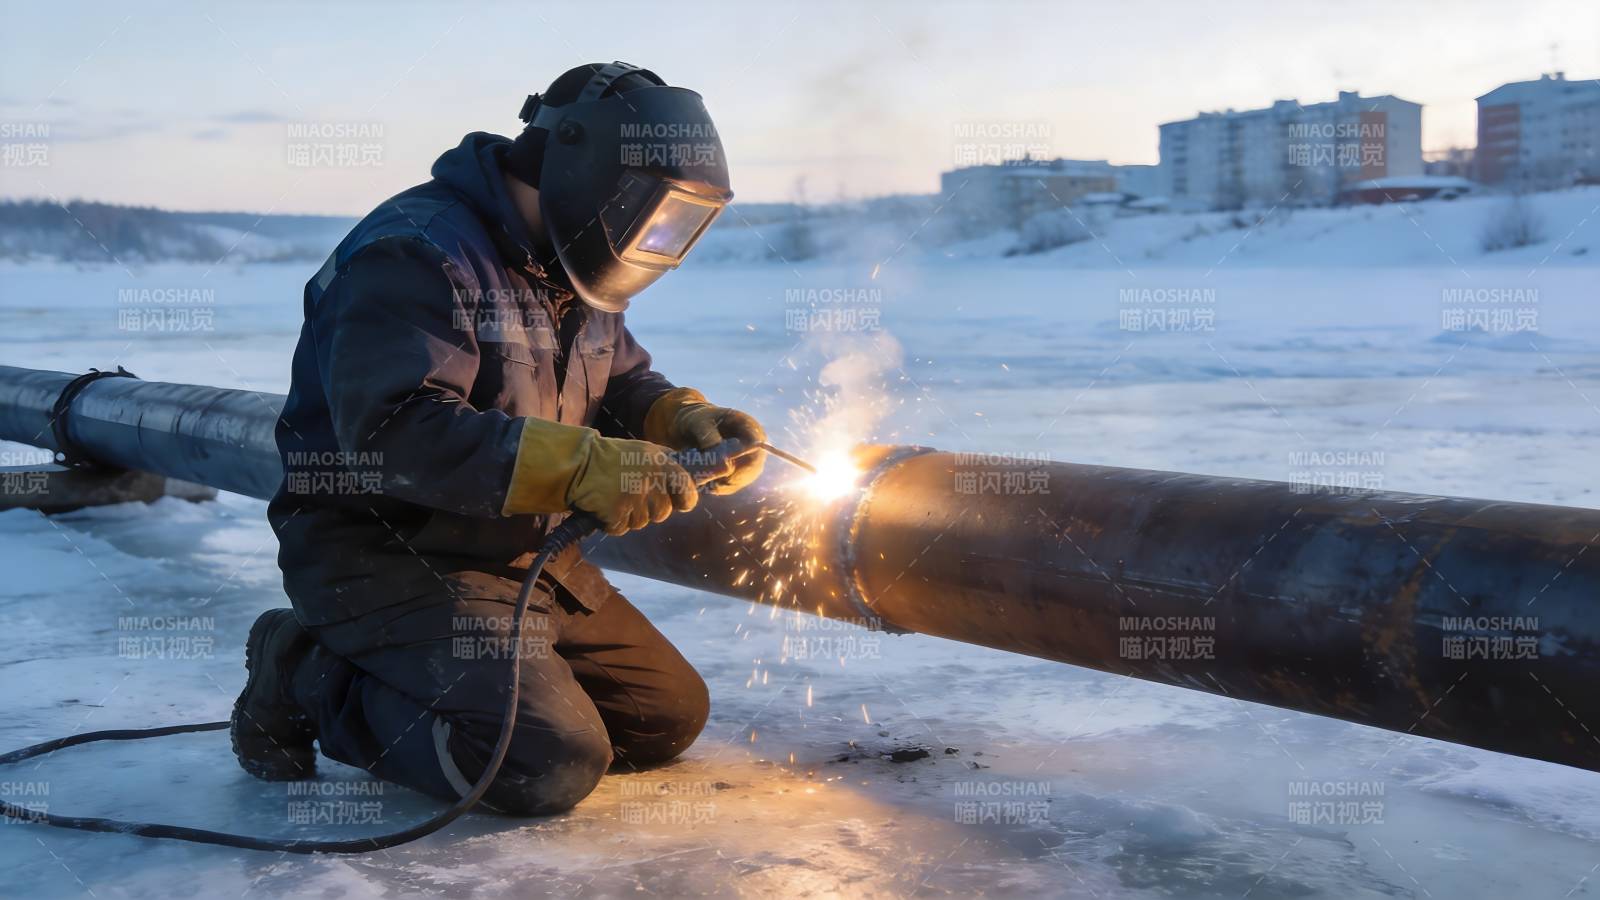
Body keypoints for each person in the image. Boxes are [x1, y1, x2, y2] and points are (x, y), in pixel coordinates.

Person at [232, 62, 766, 815]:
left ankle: (499, 677)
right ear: (590, 171)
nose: (652, 237)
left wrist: (675, 417)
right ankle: (304, 671)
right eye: (650, 213)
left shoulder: (573, 261)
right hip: (390, 552)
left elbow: (616, 379)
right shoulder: (415, 252)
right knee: (542, 761)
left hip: (521, 555)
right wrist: (582, 467)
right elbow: (394, 432)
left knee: (660, 718)